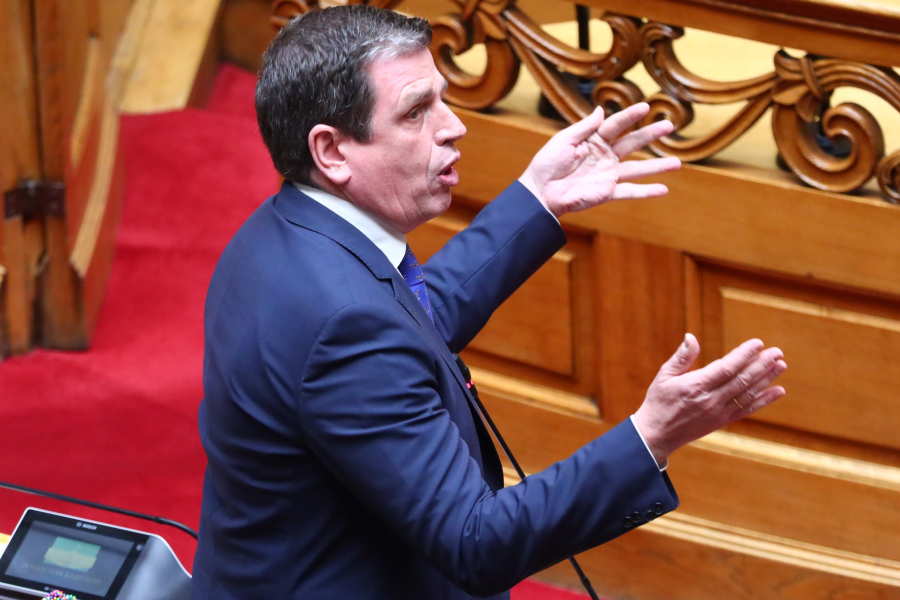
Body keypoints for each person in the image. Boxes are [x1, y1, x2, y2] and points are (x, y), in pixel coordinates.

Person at [191, 6, 787, 600]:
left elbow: (410, 322)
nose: (454, 127)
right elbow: (475, 542)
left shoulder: (280, 233)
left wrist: (538, 199)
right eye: (417, 112)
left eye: (442, 100)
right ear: (332, 151)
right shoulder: (345, 325)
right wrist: (650, 436)